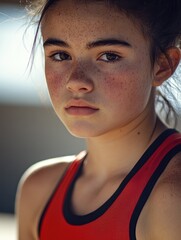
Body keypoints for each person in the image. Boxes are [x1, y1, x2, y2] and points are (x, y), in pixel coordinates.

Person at [16, 0, 181, 239]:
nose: (76, 80)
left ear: (163, 65)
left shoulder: (171, 199)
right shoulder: (39, 190)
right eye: (60, 55)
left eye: (109, 56)